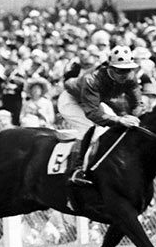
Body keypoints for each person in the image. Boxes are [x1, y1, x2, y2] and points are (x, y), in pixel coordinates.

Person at [60, 46, 145, 187]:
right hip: (71, 100)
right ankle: (76, 169)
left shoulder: (131, 77)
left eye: (128, 69)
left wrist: (135, 116)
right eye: (120, 70)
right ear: (110, 68)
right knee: (89, 127)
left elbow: (137, 103)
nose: (124, 74)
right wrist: (120, 119)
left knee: (116, 126)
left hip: (93, 102)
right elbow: (92, 113)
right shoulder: (92, 80)